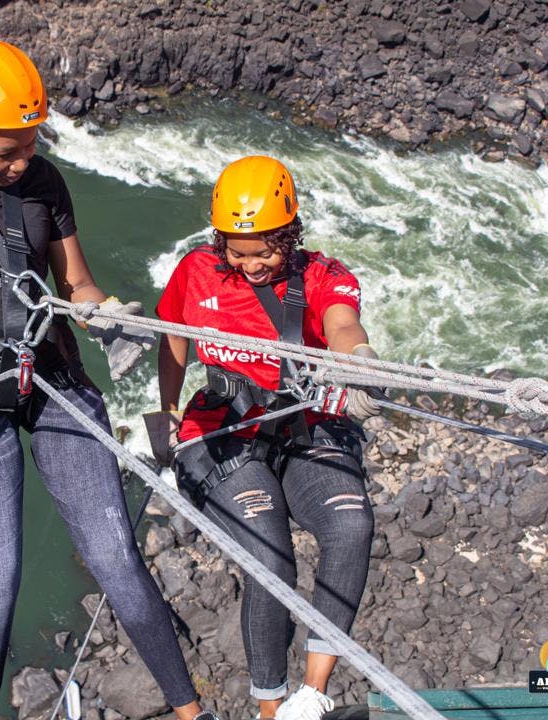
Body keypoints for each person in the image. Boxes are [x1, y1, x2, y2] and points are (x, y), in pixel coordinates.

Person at [0, 37, 214, 720]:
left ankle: (189, 711)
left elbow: (74, 282)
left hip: (52, 372)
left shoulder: (43, 182)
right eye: (6, 151)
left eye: (30, 143)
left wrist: (103, 313)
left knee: (115, 556)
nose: (24, 162)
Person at [146, 156, 380, 720]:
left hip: (305, 426)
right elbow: (173, 337)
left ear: (290, 234)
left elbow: (344, 323)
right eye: (238, 250)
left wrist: (360, 362)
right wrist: (168, 408)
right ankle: (269, 708)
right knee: (271, 560)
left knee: (351, 525)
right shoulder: (196, 271)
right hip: (222, 431)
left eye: (265, 251)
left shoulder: (321, 276)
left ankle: (312, 694)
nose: (251, 265)